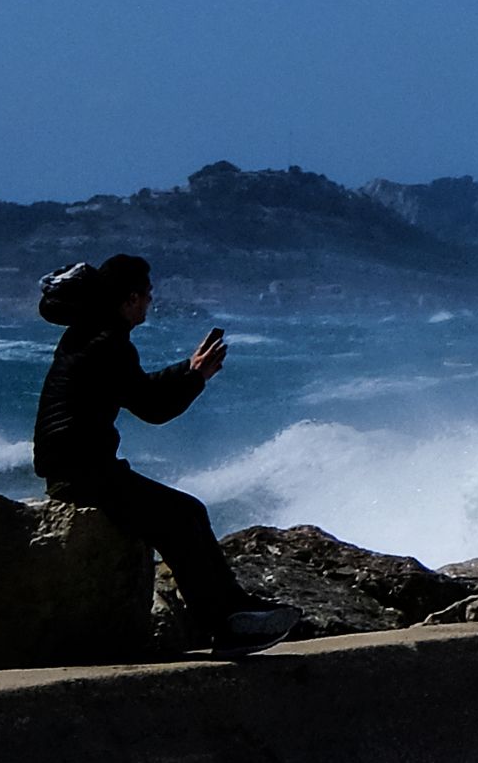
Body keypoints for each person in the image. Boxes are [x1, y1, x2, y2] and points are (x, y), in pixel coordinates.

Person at [32, 253, 293, 655]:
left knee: (180, 514)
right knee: (185, 514)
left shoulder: (90, 335)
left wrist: (188, 370)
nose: (151, 303)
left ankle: (231, 615)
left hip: (75, 467)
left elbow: (136, 388)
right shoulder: (109, 341)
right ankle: (228, 623)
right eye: (148, 295)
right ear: (131, 299)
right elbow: (153, 409)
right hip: (83, 473)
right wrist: (197, 378)